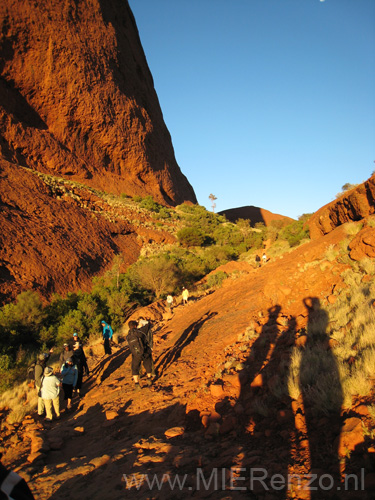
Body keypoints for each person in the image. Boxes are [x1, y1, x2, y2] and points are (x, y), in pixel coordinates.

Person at [127, 320, 153, 391]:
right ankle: (149, 379)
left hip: (135, 354)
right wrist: (143, 322)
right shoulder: (140, 332)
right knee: (148, 364)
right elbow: (149, 325)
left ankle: (136, 384)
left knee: (135, 368)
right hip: (145, 351)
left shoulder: (128, 336)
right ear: (135, 326)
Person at [35, 348, 53, 418]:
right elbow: (37, 378)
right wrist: (42, 385)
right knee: (40, 398)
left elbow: (47, 359)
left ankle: (42, 410)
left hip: (42, 383)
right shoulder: (39, 367)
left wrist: (50, 354)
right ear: (43, 360)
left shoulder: (41, 363)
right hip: (40, 384)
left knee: (43, 397)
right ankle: (40, 412)